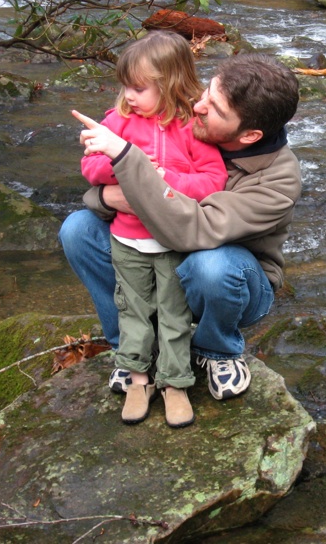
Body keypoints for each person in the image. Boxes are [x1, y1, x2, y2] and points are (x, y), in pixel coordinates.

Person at [61, 52, 301, 404]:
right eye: (207, 92)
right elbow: (106, 181)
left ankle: (217, 349)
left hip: (232, 279)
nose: (199, 106)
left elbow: (192, 231)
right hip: (156, 257)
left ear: (249, 135)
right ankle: (133, 348)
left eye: (215, 109)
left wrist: (128, 164)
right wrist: (105, 198)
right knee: (78, 229)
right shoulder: (182, 114)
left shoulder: (278, 180)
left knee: (212, 265)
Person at [76, 31, 227, 428]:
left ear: (171, 84)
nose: (128, 95)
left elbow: (213, 181)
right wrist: (122, 160)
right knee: (133, 310)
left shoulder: (191, 128)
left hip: (173, 242)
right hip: (127, 238)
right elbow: (91, 169)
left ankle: (175, 382)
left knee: (174, 314)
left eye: (139, 88)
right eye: (125, 86)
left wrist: (165, 180)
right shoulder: (119, 122)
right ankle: (137, 379)